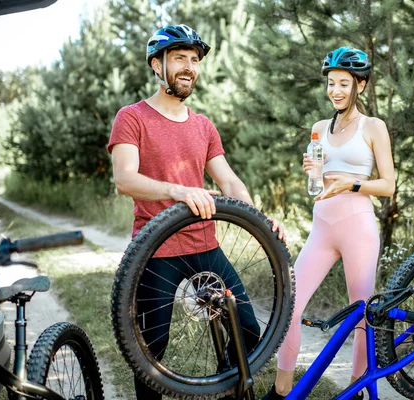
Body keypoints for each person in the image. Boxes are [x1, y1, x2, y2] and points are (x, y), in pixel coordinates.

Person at [107, 24, 285, 400]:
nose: (188, 67)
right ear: (157, 65)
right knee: (149, 353)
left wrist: (263, 220)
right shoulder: (132, 117)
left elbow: (230, 184)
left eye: (193, 60)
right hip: (156, 251)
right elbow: (125, 179)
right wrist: (179, 190)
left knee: (247, 330)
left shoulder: (203, 125)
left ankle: (222, 389)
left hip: (204, 245)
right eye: (179, 58)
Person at [262, 47, 395, 400]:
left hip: (358, 228)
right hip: (322, 228)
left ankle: (357, 392)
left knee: (361, 318)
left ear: (360, 86)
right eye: (332, 83)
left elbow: (388, 186)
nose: (336, 90)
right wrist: (316, 175)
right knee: (289, 303)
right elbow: (318, 188)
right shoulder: (319, 128)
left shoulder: (373, 127)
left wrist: (350, 183)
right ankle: (282, 391)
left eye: (344, 84)